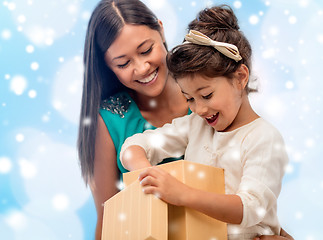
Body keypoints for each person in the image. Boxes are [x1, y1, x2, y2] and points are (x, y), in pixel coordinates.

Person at [77, 0, 293, 239]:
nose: (141, 67)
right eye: (124, 63)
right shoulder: (195, 123)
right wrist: (149, 175)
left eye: (146, 50)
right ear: (108, 66)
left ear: (161, 30)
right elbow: (110, 220)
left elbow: (253, 205)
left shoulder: (219, 115)